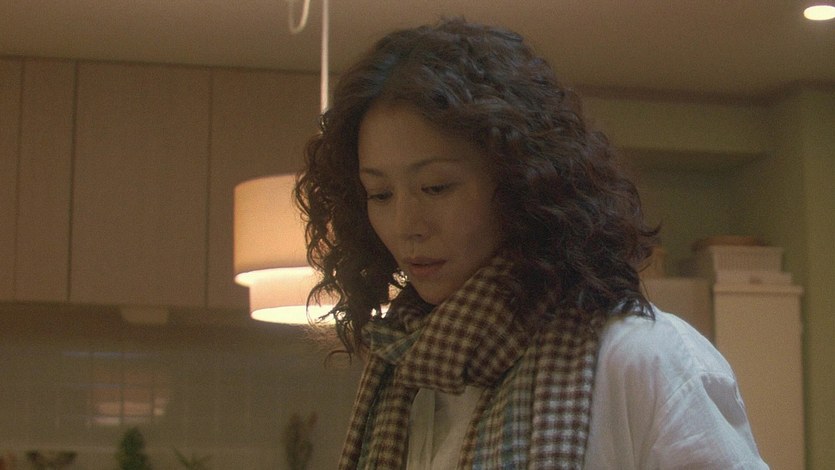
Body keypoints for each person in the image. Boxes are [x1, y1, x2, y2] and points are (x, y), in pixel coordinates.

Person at [295, 18, 767, 470]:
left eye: (436, 187)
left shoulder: (644, 359)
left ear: (522, 182)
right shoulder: (404, 370)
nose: (405, 226)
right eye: (380, 194)